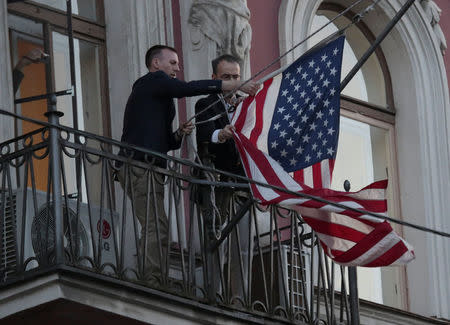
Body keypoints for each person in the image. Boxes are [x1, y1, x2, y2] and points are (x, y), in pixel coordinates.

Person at [117, 45, 258, 287]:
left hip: (149, 165)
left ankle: (154, 277)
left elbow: (164, 142)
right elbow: (188, 88)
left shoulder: (159, 97)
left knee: (157, 225)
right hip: (140, 165)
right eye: (172, 62)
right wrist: (234, 85)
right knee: (156, 226)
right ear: (156, 64)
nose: (177, 67)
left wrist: (179, 134)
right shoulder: (151, 81)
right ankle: (152, 281)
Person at [195, 54, 254, 300]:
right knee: (216, 244)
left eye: (236, 77)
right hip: (216, 186)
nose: (232, 82)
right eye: (226, 77)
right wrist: (223, 134)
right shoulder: (205, 104)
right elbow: (204, 137)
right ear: (215, 79)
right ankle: (214, 296)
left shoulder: (248, 105)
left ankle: (240, 301)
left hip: (242, 187)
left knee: (242, 249)